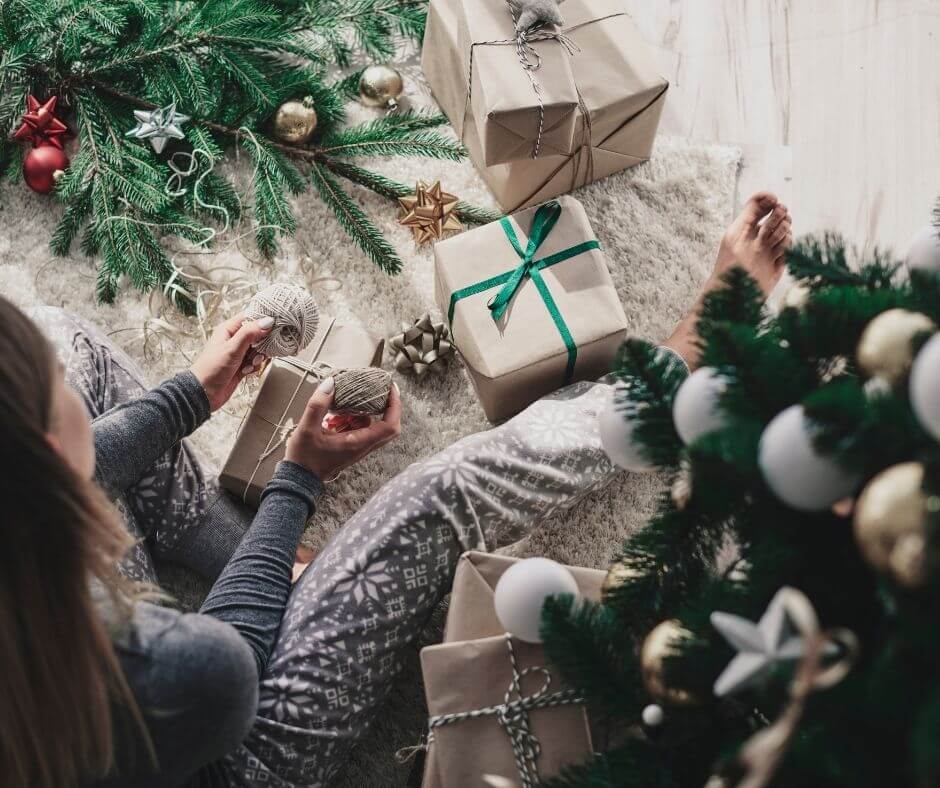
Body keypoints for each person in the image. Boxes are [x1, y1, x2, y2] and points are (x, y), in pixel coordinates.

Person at [0, 192, 790, 787]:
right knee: (433, 496)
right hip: (226, 746)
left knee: (58, 337)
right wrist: (297, 483)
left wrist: (190, 398)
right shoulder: (152, 665)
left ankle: (228, 546)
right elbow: (230, 659)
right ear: (46, 458)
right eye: (61, 424)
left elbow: (74, 460)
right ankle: (672, 381)